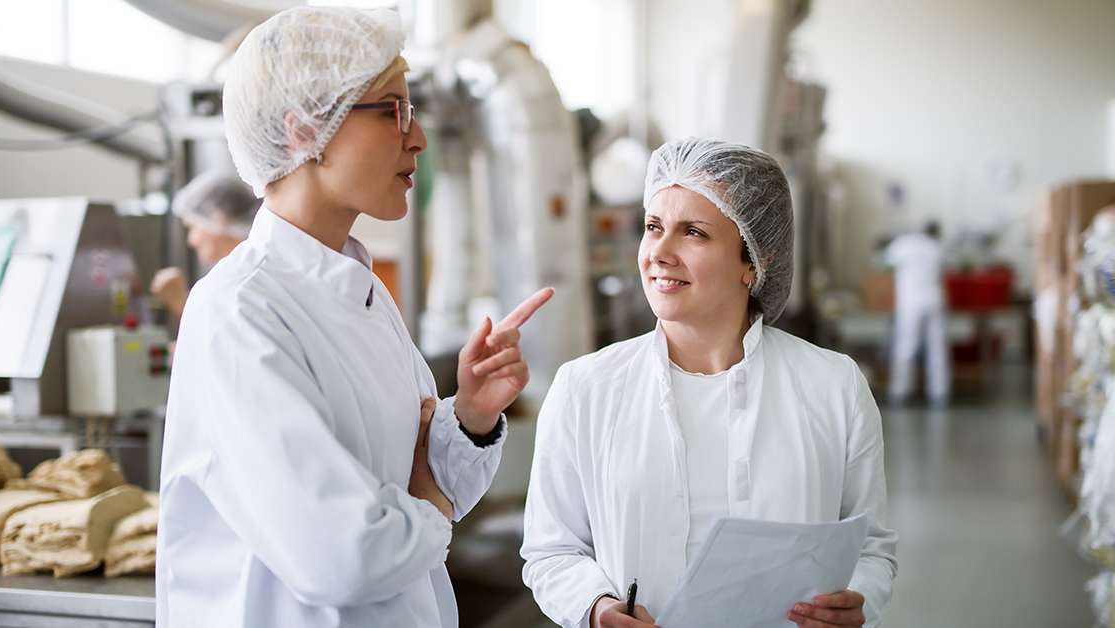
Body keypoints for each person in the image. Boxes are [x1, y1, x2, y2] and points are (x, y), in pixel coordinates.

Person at [155, 7, 553, 628]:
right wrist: (428, 499)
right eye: (394, 108)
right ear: (303, 131)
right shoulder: (239, 310)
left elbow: (419, 482)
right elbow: (342, 554)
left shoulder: (359, 291)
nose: (416, 136)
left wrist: (470, 416)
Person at [520, 138, 897, 628]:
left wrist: (859, 599)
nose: (659, 252)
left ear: (754, 260)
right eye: (653, 227)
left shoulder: (833, 386)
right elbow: (552, 550)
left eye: (693, 232)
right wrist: (595, 609)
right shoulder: (584, 389)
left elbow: (871, 547)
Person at [149, 170, 261, 319]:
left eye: (192, 228)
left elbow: (228, 334)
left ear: (218, 217)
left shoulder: (248, 277)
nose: (191, 241)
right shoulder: (238, 272)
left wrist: (179, 302)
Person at [885, 221, 950, 408]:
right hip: (934, 301)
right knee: (937, 348)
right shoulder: (934, 246)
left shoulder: (903, 244)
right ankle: (940, 393)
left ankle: (900, 392)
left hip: (911, 303)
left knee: (906, 346)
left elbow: (883, 261)